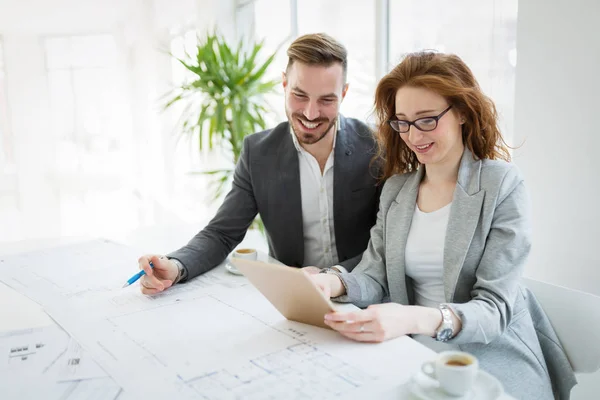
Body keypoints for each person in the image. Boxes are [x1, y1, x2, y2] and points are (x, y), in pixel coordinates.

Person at [310, 52, 576, 399]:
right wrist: (330, 282)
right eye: (402, 122)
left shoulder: (502, 185)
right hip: (414, 347)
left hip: (489, 353)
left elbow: (494, 310)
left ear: (462, 112)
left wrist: (412, 318)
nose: (412, 135)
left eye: (426, 120)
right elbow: (373, 275)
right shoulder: (396, 190)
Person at [137, 33, 381, 295]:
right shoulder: (258, 153)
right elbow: (222, 233)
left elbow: (387, 242)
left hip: (362, 295)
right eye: (300, 95)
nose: (311, 113)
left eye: (326, 100)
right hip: (293, 298)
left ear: (343, 93)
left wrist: (334, 277)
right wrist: (175, 266)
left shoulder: (378, 147)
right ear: (284, 84)